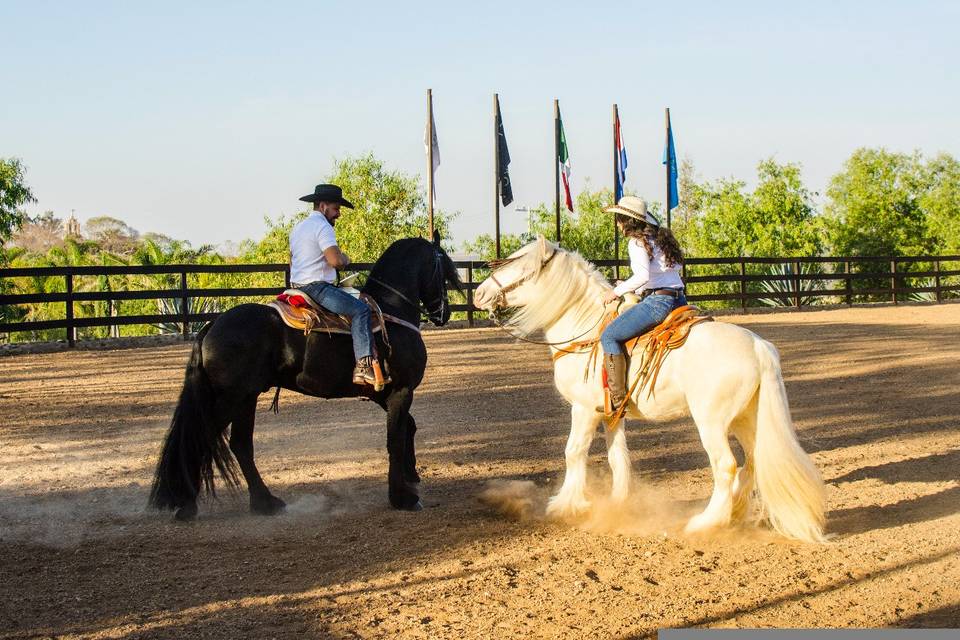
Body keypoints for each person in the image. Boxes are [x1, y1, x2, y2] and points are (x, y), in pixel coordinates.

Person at [599, 196, 687, 411]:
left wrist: (616, 291)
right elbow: (662, 275)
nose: (618, 224)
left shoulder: (637, 243)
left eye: (619, 219)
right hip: (680, 300)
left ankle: (618, 400)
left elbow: (642, 276)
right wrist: (634, 287)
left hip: (659, 302)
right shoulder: (661, 240)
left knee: (609, 336)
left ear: (626, 221)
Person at [289, 183, 379, 386]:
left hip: (296, 286)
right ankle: (363, 367)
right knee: (361, 311)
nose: (338, 214)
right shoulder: (322, 227)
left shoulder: (298, 228)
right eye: (336, 209)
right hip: (317, 288)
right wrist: (345, 258)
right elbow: (335, 261)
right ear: (323, 206)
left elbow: (292, 261)